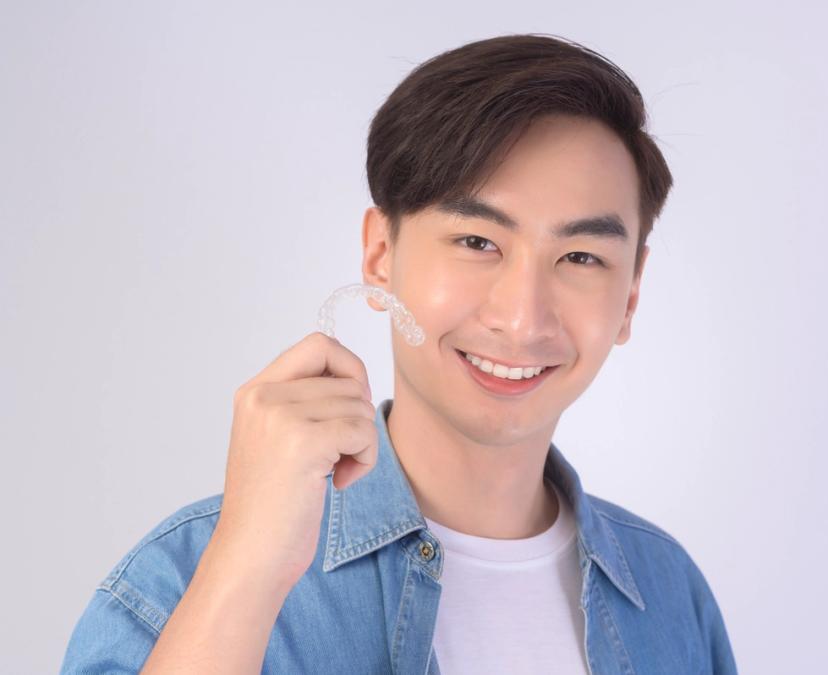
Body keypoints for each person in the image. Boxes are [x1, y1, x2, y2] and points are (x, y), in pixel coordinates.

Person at [60, 33, 737, 674]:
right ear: (381, 255)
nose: (521, 316)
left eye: (581, 256)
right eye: (476, 241)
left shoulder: (669, 594)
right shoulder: (182, 576)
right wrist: (249, 567)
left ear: (630, 296)